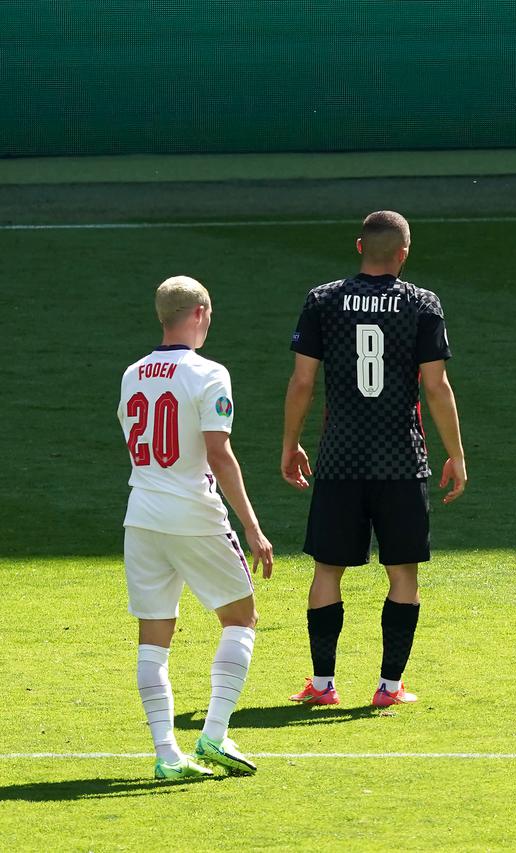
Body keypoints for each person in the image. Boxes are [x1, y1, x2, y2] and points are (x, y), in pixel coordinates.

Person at [282, 210, 466, 709]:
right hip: (401, 460)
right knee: (403, 573)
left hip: (340, 459)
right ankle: (388, 688)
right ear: (403, 254)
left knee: (327, 571)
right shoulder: (423, 304)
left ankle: (322, 685)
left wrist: (289, 444)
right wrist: (456, 454)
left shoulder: (323, 300)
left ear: (359, 246)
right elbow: (436, 385)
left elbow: (302, 382)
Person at [117, 276, 273, 780]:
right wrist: (251, 525)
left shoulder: (132, 374)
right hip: (195, 515)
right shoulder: (209, 373)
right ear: (201, 313)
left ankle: (167, 756)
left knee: (153, 637)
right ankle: (214, 733)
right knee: (240, 618)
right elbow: (218, 453)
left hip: (141, 514)